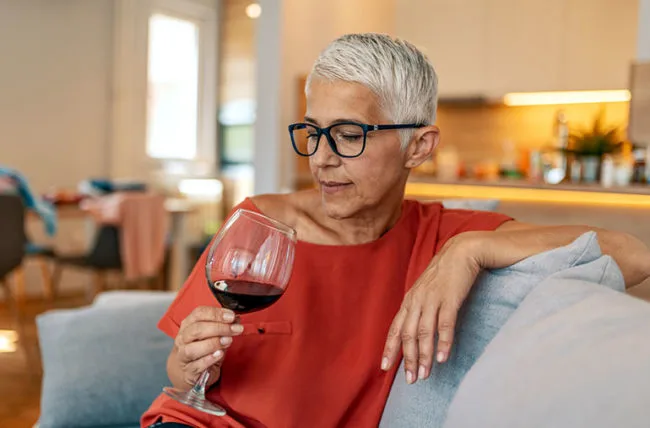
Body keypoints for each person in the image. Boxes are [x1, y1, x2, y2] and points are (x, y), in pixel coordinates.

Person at [142, 33, 650, 428]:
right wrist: (190, 362)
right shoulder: (259, 222)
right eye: (313, 132)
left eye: (348, 135)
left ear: (419, 147)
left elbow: (632, 255)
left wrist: (469, 249)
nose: (321, 158)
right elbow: (180, 373)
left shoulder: (446, 236)